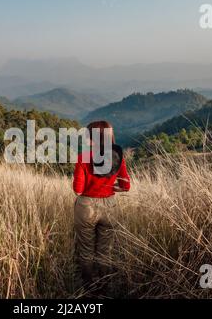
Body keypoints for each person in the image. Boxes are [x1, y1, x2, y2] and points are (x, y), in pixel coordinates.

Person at [73, 121, 131, 295]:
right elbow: (126, 186)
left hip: (87, 206)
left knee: (86, 249)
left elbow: (78, 190)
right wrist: (110, 187)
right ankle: (105, 286)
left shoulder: (83, 157)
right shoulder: (117, 157)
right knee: (105, 250)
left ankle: (89, 288)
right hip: (110, 206)